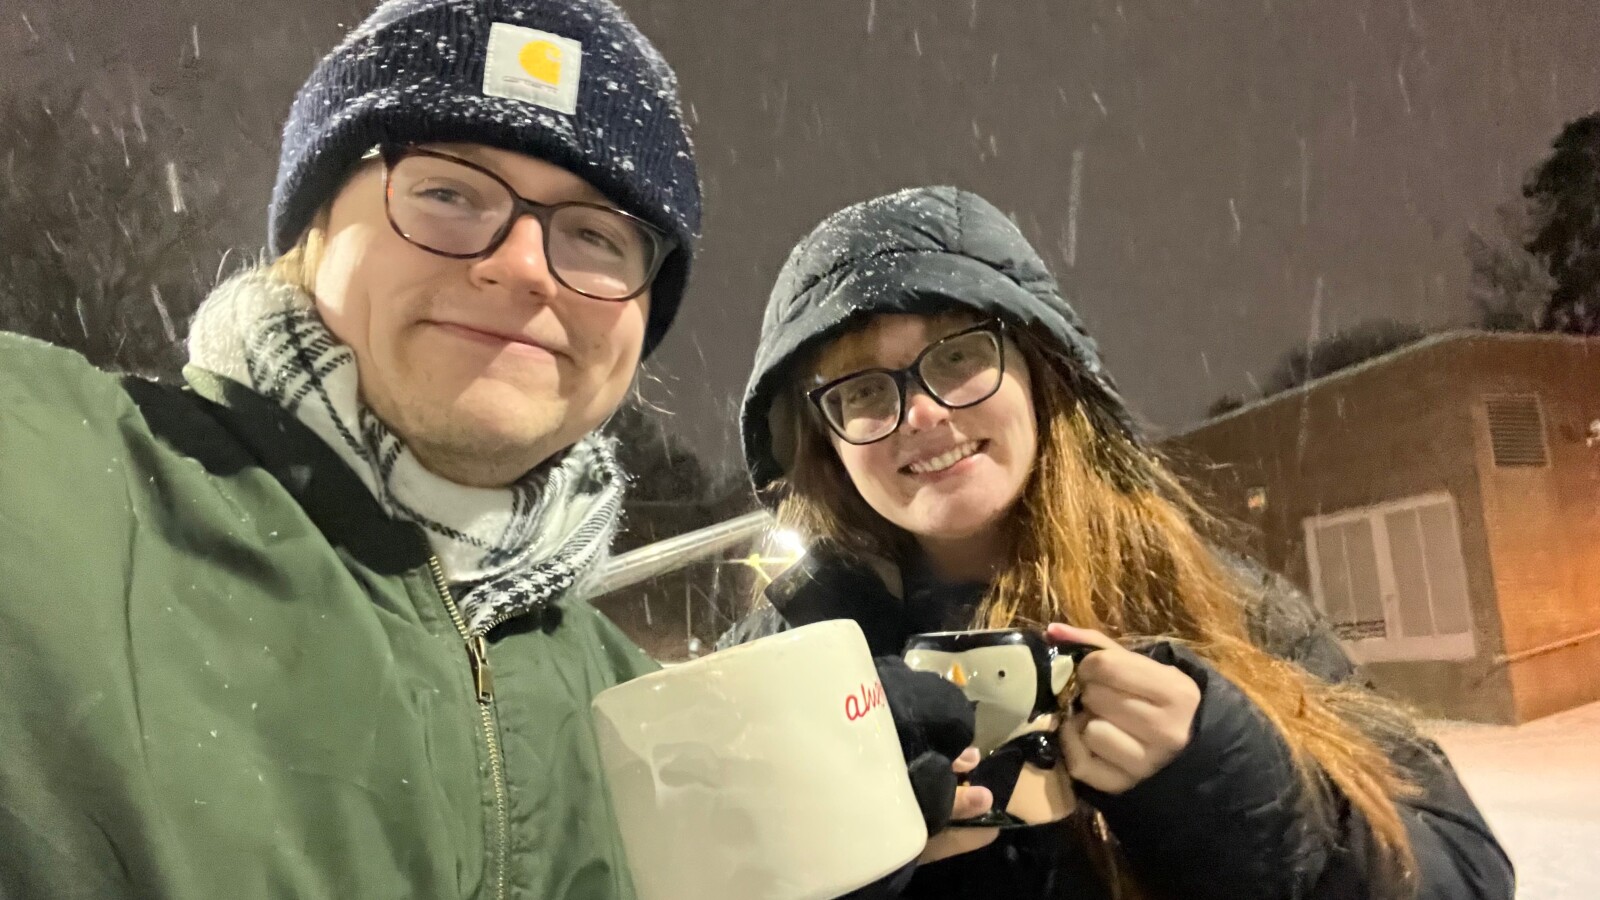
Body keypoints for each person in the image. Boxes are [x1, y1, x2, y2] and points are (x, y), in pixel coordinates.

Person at [0, 1, 701, 897]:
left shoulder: (636, 711)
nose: (524, 265)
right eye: (449, 192)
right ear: (314, 230)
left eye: (597, 236)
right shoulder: (45, 477)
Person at [720, 186, 1515, 899]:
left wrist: (1241, 797)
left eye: (958, 355)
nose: (922, 412)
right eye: (863, 390)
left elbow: (1465, 877)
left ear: (1039, 371)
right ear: (824, 442)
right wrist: (806, 868)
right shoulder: (770, 669)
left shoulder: (1225, 609)